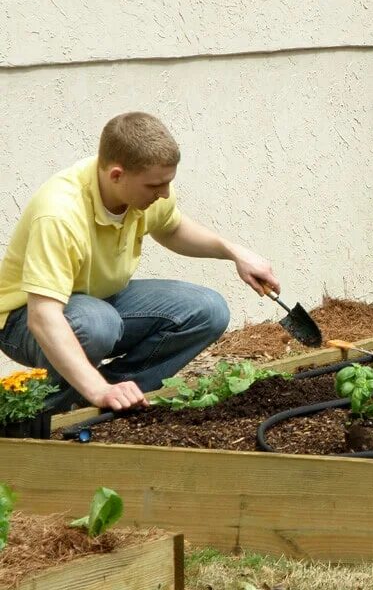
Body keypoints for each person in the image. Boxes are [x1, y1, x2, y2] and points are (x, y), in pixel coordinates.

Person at [0, 112, 281, 413]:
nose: (164, 194)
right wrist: (98, 388)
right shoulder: (59, 213)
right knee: (97, 324)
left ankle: (102, 398)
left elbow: (172, 228)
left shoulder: (142, 192)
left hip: (100, 301)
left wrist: (234, 252)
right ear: (117, 175)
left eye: (168, 183)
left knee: (208, 310)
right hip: (24, 319)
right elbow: (42, 316)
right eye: (155, 186)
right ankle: (36, 416)